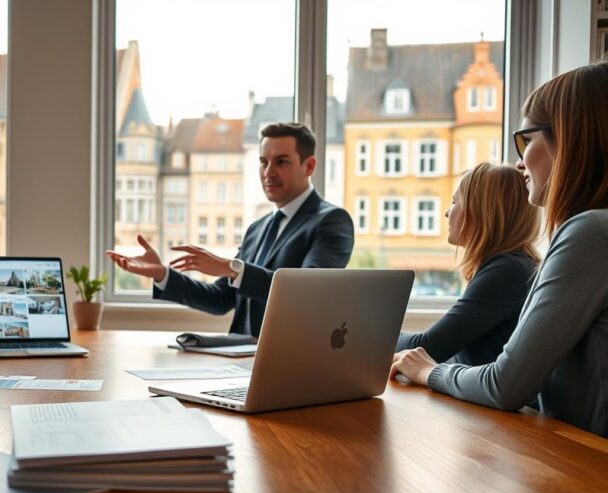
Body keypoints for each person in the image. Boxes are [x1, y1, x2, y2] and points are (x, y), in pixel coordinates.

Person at [393, 60, 608, 438]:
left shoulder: (590, 233)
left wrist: (428, 371)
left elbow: (505, 384)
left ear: (570, 141)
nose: (519, 161)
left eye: (525, 140)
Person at [106, 122, 354, 337]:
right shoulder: (258, 228)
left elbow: (308, 293)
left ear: (309, 166)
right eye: (263, 162)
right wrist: (162, 274)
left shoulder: (331, 220)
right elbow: (220, 298)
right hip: (238, 360)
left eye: (281, 162)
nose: (268, 172)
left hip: (290, 362)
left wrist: (232, 268)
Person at [395, 162, 540, 365]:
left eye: (454, 202)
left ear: (480, 210)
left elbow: (427, 348)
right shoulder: (515, 265)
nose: (447, 212)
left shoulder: (505, 272)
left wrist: (372, 333)